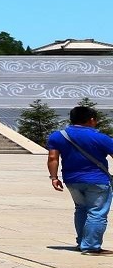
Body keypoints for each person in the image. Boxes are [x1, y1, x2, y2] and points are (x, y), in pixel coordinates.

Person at [46, 105, 113, 255]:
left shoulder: (58, 136)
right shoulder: (100, 137)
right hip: (97, 180)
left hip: (71, 180)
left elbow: (52, 157)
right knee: (97, 213)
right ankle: (91, 247)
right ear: (91, 120)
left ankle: (82, 242)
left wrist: (54, 177)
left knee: (81, 209)